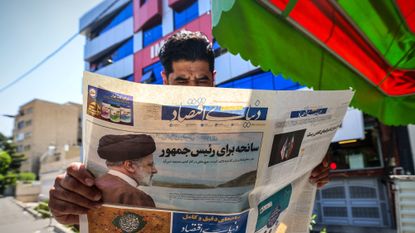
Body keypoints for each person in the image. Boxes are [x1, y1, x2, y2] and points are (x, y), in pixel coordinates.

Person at [48, 30, 330, 225]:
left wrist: (303, 171)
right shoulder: (131, 135)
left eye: (202, 80)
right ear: (165, 79)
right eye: (182, 81)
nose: (193, 90)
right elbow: (92, 203)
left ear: (214, 78)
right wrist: (72, 202)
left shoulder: (241, 125)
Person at [94, 134, 157, 207]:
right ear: (130, 166)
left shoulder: (96, 183)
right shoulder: (136, 196)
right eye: (150, 164)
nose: (155, 170)